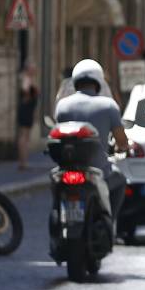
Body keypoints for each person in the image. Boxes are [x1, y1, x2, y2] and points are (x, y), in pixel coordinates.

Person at [53, 59, 128, 227]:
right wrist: (123, 147)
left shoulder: (62, 106)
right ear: (99, 81)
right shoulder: (109, 105)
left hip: (67, 168)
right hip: (98, 169)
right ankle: (110, 222)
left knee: (56, 190)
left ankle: (58, 221)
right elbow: (121, 141)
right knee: (121, 180)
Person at [16, 64, 40, 170]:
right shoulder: (26, 79)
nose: (34, 71)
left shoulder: (29, 79)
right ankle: (22, 162)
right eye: (32, 69)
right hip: (26, 110)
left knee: (26, 136)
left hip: (28, 111)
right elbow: (25, 93)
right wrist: (29, 97)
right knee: (24, 136)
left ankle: (24, 161)